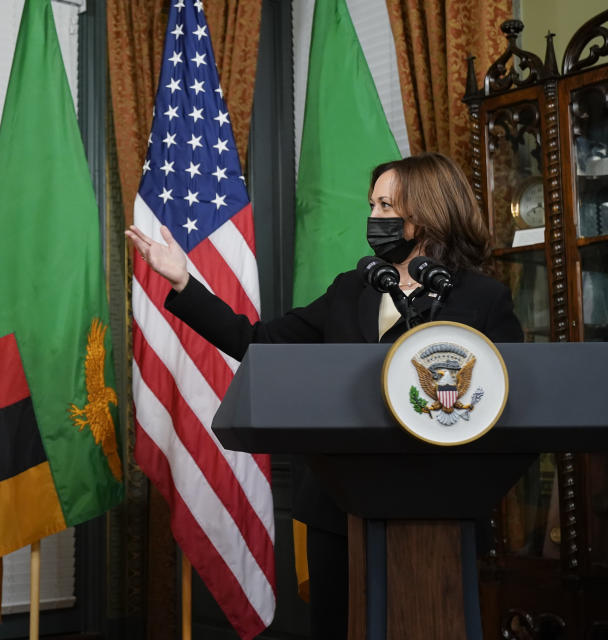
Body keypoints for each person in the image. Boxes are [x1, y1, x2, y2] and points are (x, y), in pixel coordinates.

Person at [126, 152, 522, 638]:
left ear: (425, 213)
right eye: (372, 205)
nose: (373, 218)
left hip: (438, 509)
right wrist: (184, 281)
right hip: (339, 507)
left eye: (386, 206)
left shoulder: (482, 300)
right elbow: (259, 343)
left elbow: (503, 404)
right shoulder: (352, 288)